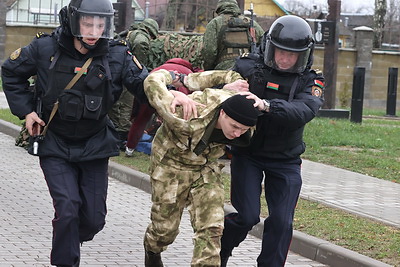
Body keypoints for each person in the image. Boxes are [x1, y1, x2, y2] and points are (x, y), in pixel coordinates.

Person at [1, 0, 149, 266]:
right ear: (73, 20)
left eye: (100, 24)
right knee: (68, 210)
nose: (93, 30)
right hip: (55, 141)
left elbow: (145, 84)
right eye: (87, 23)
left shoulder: (116, 54)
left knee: (93, 219)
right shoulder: (45, 48)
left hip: (95, 143)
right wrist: (26, 113)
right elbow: (11, 72)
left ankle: (71, 239)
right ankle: (65, 261)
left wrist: (174, 91)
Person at [219, 15, 325, 267]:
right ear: (270, 47)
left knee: (281, 221)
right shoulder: (247, 66)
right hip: (248, 154)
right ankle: (219, 249)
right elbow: (217, 86)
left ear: (304, 55)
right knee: (247, 216)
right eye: (280, 52)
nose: (285, 59)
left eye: (293, 55)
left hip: (286, 159)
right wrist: (229, 89)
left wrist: (266, 105)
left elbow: (304, 111)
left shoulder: (312, 80)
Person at [142, 69, 265, 267]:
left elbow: (232, 76)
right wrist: (179, 82)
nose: (237, 134)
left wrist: (231, 83)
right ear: (223, 113)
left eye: (242, 130)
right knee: (165, 230)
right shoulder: (182, 112)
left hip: (205, 168)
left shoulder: (241, 110)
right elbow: (152, 80)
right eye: (234, 127)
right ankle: (152, 249)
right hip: (171, 166)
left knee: (211, 228)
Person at [125, 57, 202, 156]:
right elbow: (188, 99)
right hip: (176, 96)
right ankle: (175, 153)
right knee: (178, 122)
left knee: (141, 119)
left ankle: (129, 148)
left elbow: (143, 86)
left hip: (151, 90)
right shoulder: (188, 74)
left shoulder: (160, 68)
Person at [108, 18, 159, 150]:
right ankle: (120, 140)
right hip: (128, 76)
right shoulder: (142, 40)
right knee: (125, 106)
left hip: (118, 72)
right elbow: (138, 66)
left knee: (116, 105)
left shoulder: (131, 32)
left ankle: (117, 137)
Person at [201, 0, 264, 70]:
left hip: (224, 70)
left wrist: (208, 69)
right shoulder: (251, 23)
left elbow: (209, 52)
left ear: (219, 8)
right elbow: (265, 45)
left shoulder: (215, 23)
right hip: (248, 68)